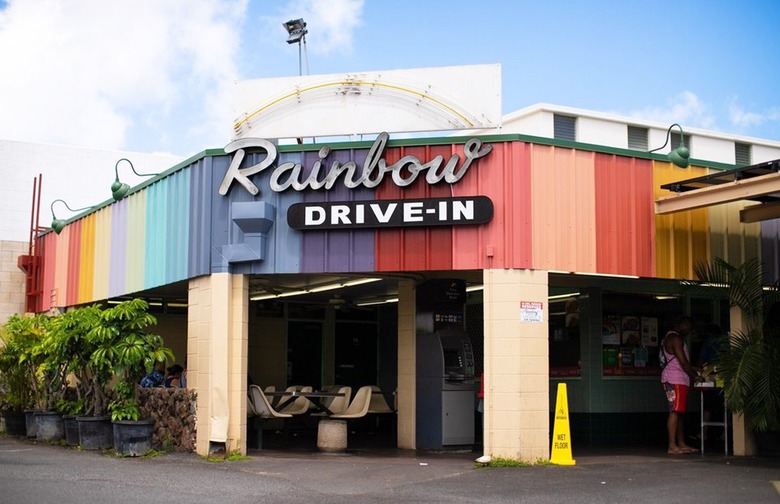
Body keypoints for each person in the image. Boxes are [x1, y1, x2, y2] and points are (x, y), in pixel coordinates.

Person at [660, 316, 701, 454]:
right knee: (675, 411)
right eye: (688, 327)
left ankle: (681, 443)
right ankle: (672, 446)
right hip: (674, 379)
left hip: (680, 379)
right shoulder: (675, 338)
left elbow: (684, 363)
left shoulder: (673, 337)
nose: (689, 331)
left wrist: (697, 370)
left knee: (680, 413)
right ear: (681, 326)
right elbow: (683, 363)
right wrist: (695, 377)